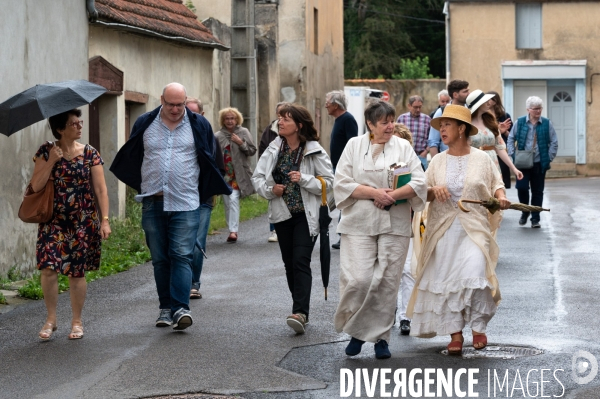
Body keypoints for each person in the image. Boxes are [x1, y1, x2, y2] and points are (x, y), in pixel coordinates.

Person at [110, 82, 231, 330]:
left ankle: (180, 309)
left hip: (186, 201)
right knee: (160, 259)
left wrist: (207, 192)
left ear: (185, 101)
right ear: (161, 100)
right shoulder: (145, 122)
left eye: (180, 104)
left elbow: (209, 159)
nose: (176, 109)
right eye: (170, 104)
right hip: (153, 200)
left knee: (182, 255)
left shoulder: (199, 124)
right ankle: (165, 308)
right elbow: (134, 155)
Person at [407, 105, 509, 355]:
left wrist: (501, 197)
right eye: (440, 126)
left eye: (447, 125)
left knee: (475, 275)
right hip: (443, 229)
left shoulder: (481, 158)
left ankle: (477, 326)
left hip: (474, 226)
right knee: (448, 279)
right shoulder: (437, 161)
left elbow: (497, 183)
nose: (442, 129)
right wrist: (434, 191)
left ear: (461, 129)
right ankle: (455, 333)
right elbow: (422, 192)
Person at [333, 100, 427, 359]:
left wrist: (392, 195)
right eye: (384, 122)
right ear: (370, 124)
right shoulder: (354, 146)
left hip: (394, 222)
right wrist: (375, 192)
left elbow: (420, 182)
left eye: (392, 120)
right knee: (359, 279)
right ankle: (357, 329)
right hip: (358, 223)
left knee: (387, 280)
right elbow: (341, 183)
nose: (390, 126)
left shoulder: (404, 146)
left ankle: (381, 339)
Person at [252, 104, 334, 334]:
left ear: (298, 125)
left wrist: (304, 179)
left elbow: (330, 183)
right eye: (279, 118)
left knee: (300, 260)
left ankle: (300, 312)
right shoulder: (273, 147)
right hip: (282, 214)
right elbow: (257, 177)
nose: (280, 122)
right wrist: (271, 190)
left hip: (306, 216)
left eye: (285, 119)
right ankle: (299, 308)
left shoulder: (314, 150)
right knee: (289, 264)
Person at [32, 109, 111, 340]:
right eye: (74, 123)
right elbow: (36, 186)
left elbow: (100, 189)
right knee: (48, 268)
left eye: (80, 122)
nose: (79, 126)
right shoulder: (46, 151)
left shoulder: (90, 153)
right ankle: (51, 319)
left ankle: (77, 321)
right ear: (60, 129)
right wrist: (52, 162)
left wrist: (104, 220)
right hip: (53, 221)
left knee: (77, 272)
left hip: (83, 221)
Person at [185, 97, 225, 299]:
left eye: (194, 113)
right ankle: (178, 282)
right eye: (187, 112)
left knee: (197, 242)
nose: (190, 117)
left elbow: (220, 169)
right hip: (179, 198)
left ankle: (193, 283)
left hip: (202, 198)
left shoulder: (211, 137)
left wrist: (208, 189)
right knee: (178, 244)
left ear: (201, 115)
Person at [507, 96, 558, 229]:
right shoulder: (520, 122)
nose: (538, 111)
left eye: (540, 108)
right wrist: (512, 156)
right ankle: (525, 211)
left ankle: (535, 218)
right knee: (521, 188)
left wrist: (549, 157)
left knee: (537, 191)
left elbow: (554, 142)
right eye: (535, 109)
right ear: (528, 109)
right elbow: (511, 138)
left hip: (539, 163)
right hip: (522, 163)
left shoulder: (547, 123)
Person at [215, 107, 257, 243]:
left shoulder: (243, 132)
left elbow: (252, 151)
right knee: (227, 202)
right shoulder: (218, 136)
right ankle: (231, 228)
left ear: (237, 119)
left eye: (232, 118)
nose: (230, 121)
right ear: (223, 120)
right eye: (227, 119)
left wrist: (241, 143)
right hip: (224, 175)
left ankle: (233, 231)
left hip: (239, 174)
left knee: (233, 199)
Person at [392, 123, 417, 336]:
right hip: (384, 224)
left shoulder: (413, 165)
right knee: (388, 271)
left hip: (408, 224)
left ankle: (405, 316)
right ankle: (387, 309)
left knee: (408, 270)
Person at [325, 90, 358, 250]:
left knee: (343, 200)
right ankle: (342, 235)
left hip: (344, 168)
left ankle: (343, 235)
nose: (326, 105)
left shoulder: (347, 119)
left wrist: (348, 167)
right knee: (340, 200)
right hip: (337, 166)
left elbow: (352, 146)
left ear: (336, 105)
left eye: (328, 103)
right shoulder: (339, 119)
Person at [467, 90, 524, 180]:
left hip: (493, 164)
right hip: (474, 165)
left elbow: (500, 148)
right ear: (478, 104)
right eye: (485, 101)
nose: (488, 102)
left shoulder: (490, 122)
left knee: (496, 192)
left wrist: (514, 168)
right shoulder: (466, 125)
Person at [259, 102, 289, 243]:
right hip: (273, 170)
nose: (280, 117)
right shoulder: (270, 130)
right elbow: (263, 147)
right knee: (274, 197)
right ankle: (274, 229)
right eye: (279, 114)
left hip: (289, 170)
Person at [428, 80, 470, 157]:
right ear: (455, 95)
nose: (468, 94)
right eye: (465, 92)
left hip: (467, 157)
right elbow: (433, 141)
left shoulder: (469, 111)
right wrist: (437, 164)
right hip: (447, 158)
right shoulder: (442, 111)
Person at [397, 95, 431, 170]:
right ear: (409, 106)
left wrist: (425, 152)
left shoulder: (427, 119)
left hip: (421, 156)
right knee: (404, 179)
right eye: (415, 107)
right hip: (404, 157)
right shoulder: (401, 119)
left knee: (422, 180)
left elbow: (431, 138)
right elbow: (396, 138)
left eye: (420, 107)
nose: (418, 109)